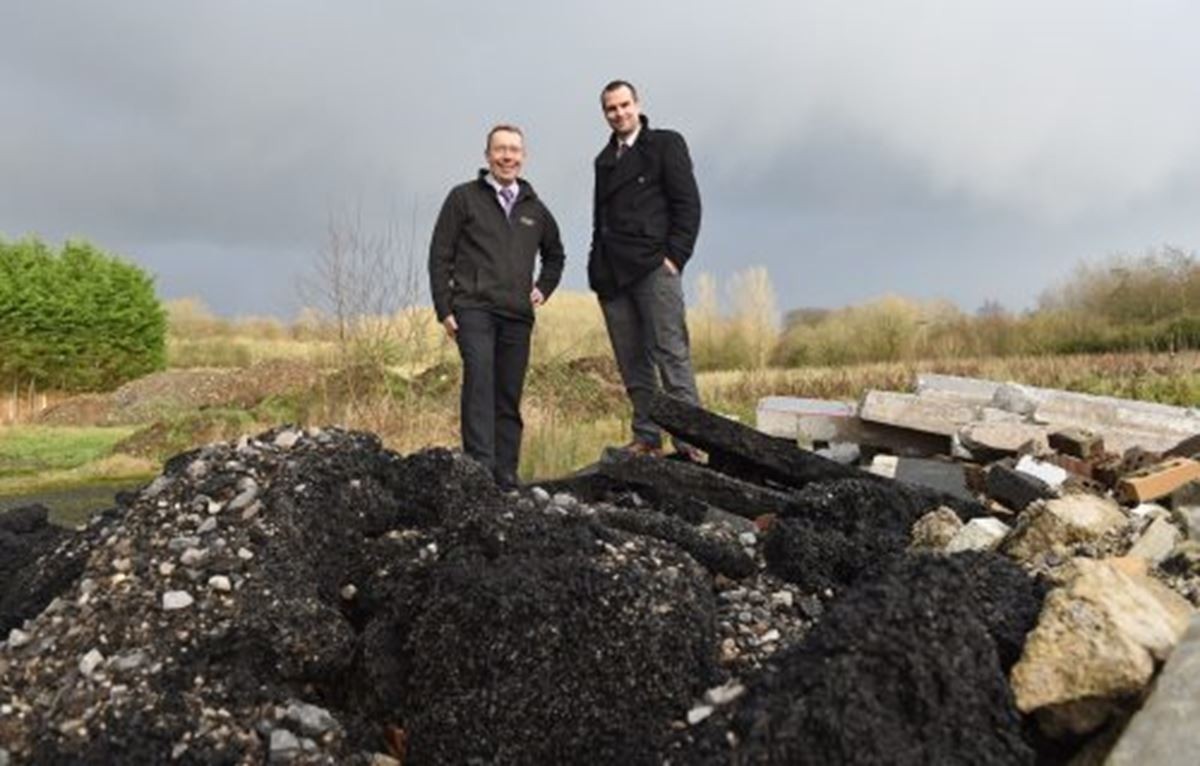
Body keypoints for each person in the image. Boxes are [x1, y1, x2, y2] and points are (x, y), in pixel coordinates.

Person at [429, 124, 565, 489]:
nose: (507, 156)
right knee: (479, 382)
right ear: (487, 155)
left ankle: (506, 474)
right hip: (473, 308)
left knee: (508, 392)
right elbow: (440, 254)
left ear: (523, 157)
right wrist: (444, 308)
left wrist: (543, 288)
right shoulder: (463, 198)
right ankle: (479, 470)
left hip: (517, 315)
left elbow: (556, 254)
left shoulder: (535, 209)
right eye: (500, 149)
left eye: (514, 150)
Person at [588, 80, 703, 459]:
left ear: (637, 104)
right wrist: (596, 268)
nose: (619, 113)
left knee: (671, 353)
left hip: (654, 266)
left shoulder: (666, 145)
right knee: (633, 362)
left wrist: (675, 258)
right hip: (612, 275)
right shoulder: (604, 161)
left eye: (624, 105)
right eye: (611, 109)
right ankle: (646, 437)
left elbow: (688, 205)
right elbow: (599, 219)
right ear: (604, 113)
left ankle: (692, 442)